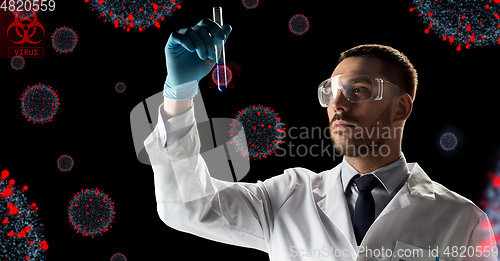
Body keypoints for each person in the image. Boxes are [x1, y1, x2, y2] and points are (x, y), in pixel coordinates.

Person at [144, 18, 498, 261]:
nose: (338, 105)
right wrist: (179, 94)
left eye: (358, 90)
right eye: (330, 92)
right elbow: (187, 207)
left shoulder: (462, 221)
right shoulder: (284, 198)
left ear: (402, 107)